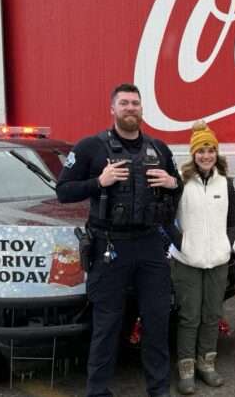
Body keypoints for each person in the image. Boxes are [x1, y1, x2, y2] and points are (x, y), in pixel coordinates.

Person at [56, 83, 182, 397]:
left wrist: (172, 181)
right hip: (109, 246)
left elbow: (177, 188)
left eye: (135, 103)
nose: (130, 108)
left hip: (150, 245)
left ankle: (158, 389)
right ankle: (97, 391)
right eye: (124, 103)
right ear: (112, 109)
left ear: (141, 109)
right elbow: (63, 191)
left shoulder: (159, 149)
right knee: (107, 324)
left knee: (156, 320)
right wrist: (99, 181)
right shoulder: (90, 148)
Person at [170, 120, 235, 395]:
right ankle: (186, 369)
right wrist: (181, 244)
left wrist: (227, 243)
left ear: (216, 152)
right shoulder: (180, 182)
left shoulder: (226, 182)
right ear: (193, 154)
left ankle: (207, 364)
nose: (206, 155)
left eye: (210, 150)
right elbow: (166, 220)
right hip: (187, 261)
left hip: (218, 260)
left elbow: (233, 219)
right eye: (201, 151)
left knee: (211, 315)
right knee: (189, 317)